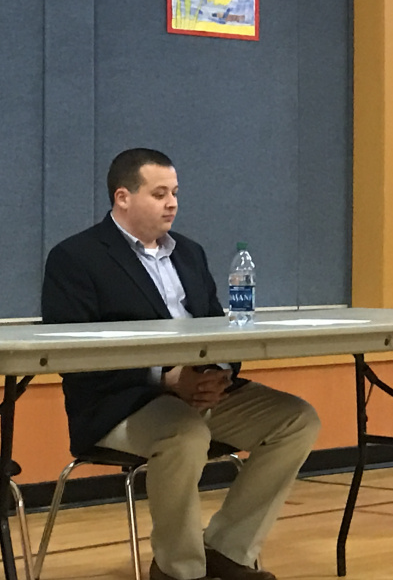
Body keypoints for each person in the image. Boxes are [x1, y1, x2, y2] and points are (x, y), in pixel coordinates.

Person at [42, 148, 320, 580]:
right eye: (159, 194)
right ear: (123, 197)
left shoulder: (190, 253)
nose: (172, 203)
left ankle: (229, 550)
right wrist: (167, 378)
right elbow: (74, 354)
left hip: (200, 393)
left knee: (296, 419)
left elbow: (218, 325)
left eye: (174, 193)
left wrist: (219, 372)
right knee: (186, 434)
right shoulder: (77, 258)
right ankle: (179, 570)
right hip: (120, 403)